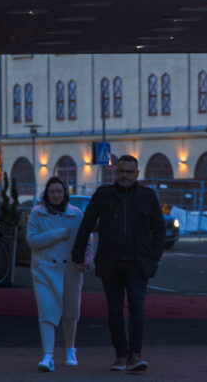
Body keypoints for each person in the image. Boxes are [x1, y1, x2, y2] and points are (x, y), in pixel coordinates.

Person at [72, 155, 165, 372]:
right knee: (114, 311)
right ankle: (120, 356)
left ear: (137, 174)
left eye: (129, 172)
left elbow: (159, 229)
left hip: (138, 264)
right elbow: (86, 226)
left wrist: (154, 255)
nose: (125, 176)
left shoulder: (148, 197)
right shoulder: (103, 194)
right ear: (116, 172)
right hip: (110, 264)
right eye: (122, 171)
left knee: (137, 310)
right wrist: (78, 257)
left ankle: (135, 355)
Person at [27, 176, 94, 373]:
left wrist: (87, 261)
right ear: (46, 194)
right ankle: (47, 355)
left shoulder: (76, 214)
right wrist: (56, 234)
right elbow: (31, 240)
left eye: (59, 191)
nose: (56, 195)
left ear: (65, 193)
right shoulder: (37, 213)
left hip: (70, 271)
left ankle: (70, 350)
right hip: (44, 270)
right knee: (46, 310)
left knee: (71, 311)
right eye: (52, 192)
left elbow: (86, 242)